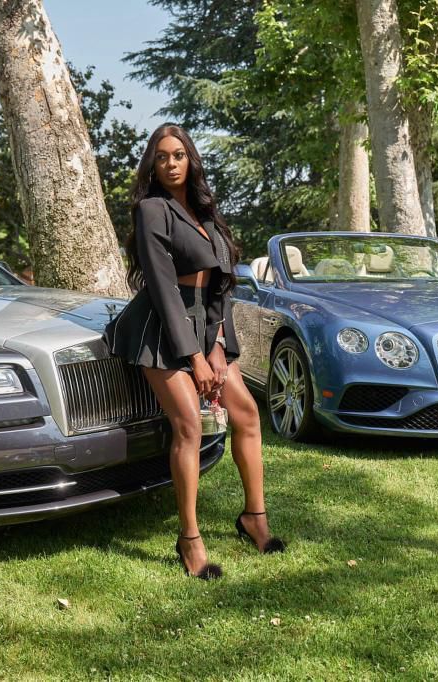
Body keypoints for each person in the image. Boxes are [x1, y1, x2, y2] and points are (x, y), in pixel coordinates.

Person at [103, 123, 285, 580]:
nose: (170, 164)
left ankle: (254, 519)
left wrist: (218, 345)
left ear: (191, 160)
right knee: (189, 427)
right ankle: (189, 539)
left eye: (178, 155)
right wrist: (195, 358)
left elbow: (222, 283)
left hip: (207, 323)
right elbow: (163, 289)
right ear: (152, 163)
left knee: (246, 415)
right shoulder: (151, 209)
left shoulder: (205, 210)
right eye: (161, 157)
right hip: (160, 327)